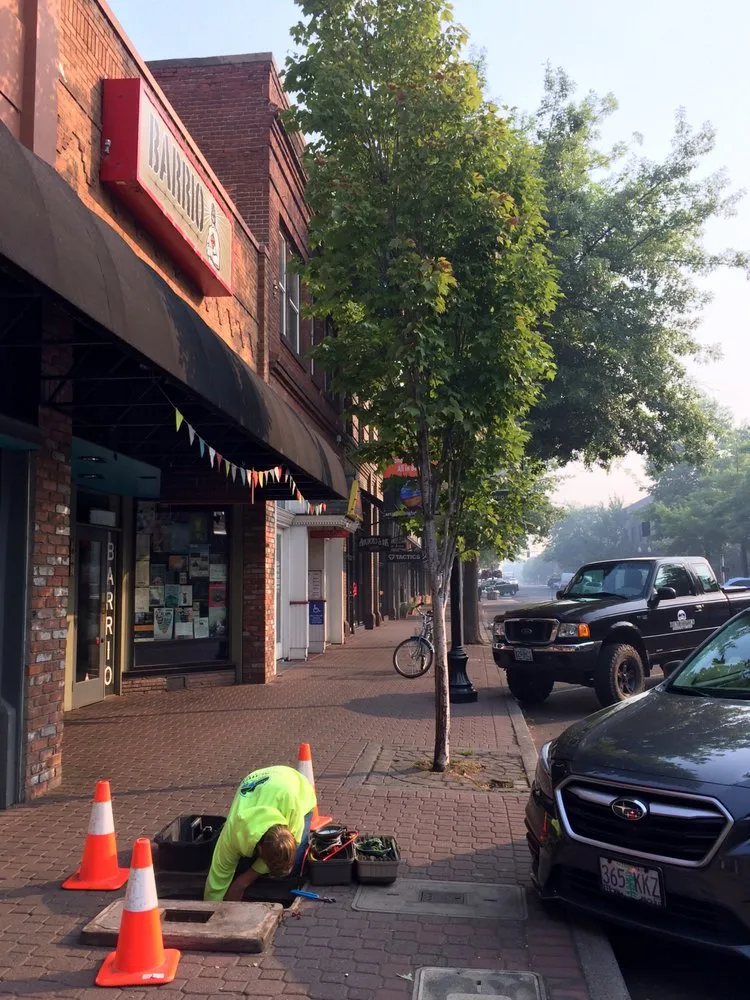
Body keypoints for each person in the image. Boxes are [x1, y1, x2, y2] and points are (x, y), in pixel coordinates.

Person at [204, 765, 317, 902]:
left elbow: (291, 849)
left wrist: (242, 882)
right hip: (257, 779)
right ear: (260, 848)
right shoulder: (233, 835)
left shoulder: (293, 813)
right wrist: (213, 911)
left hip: (296, 786)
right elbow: (218, 877)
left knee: (291, 870)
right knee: (241, 865)